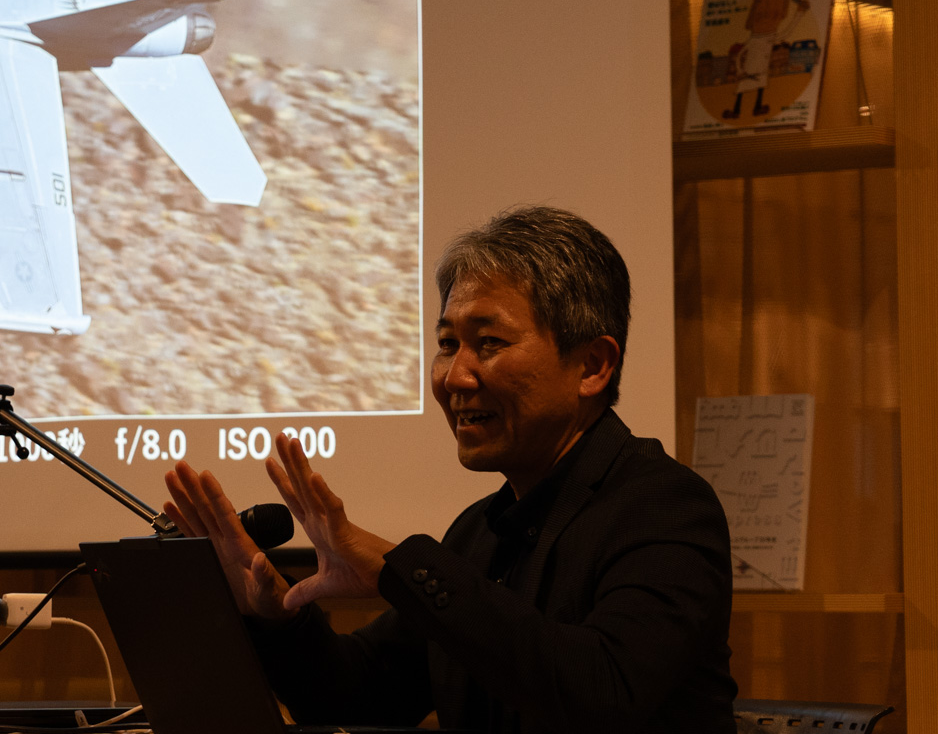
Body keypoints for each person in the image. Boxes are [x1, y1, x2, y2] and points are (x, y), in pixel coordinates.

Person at [164, 206, 736, 733]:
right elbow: (359, 695)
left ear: (592, 365)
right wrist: (275, 616)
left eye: (487, 343)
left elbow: (603, 693)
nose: (454, 377)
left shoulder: (666, 507)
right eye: (446, 343)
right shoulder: (478, 533)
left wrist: (401, 569)